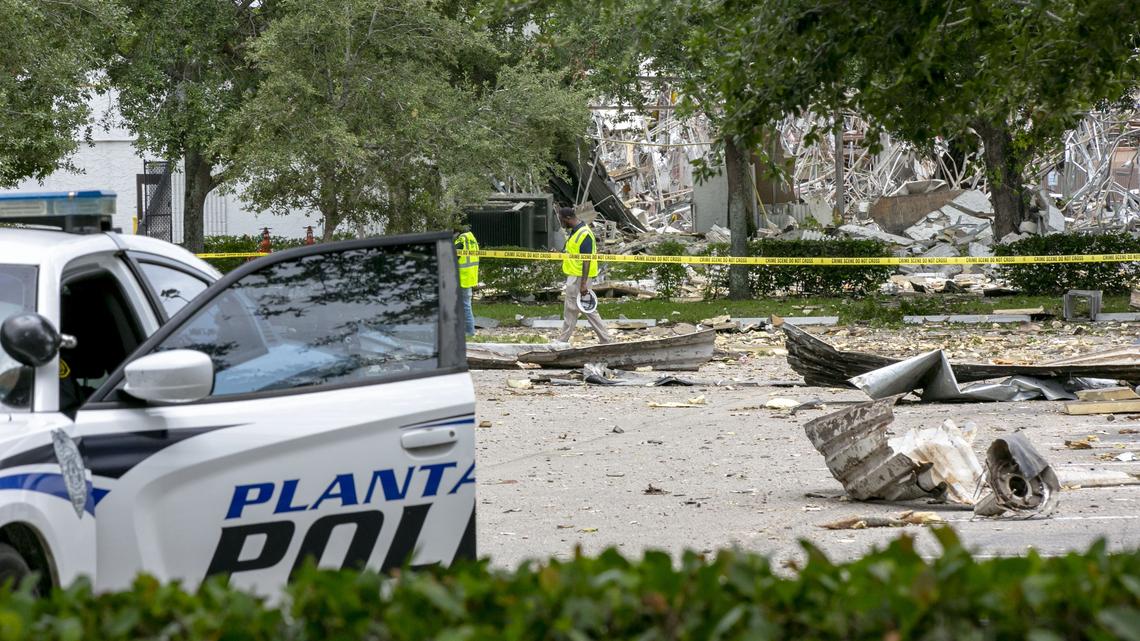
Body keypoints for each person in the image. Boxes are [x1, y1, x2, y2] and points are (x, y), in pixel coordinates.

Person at [556, 207, 612, 344]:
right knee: (579, 308)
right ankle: (606, 339)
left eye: (562, 220)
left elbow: (586, 260)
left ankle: (562, 341)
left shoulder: (584, 234)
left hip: (579, 277)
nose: (561, 223)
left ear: (568, 218)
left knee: (577, 308)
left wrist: (583, 283)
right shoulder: (576, 232)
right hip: (576, 276)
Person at [454, 226, 479, 336]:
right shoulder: (473, 240)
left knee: (464, 306)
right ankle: (467, 330)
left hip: (461, 277)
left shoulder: (462, 239)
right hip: (469, 277)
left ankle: (469, 331)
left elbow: (452, 254)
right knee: (465, 305)